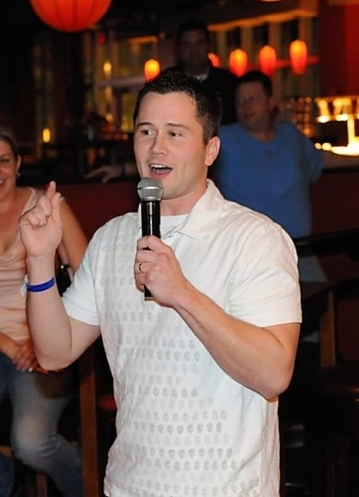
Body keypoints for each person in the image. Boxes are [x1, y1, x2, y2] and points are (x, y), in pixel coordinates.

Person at [19, 71, 301, 497]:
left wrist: (183, 294)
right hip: (130, 484)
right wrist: (40, 262)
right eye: (146, 131)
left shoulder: (255, 239)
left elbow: (274, 373)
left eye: (175, 132)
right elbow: (55, 352)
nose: (157, 147)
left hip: (225, 487)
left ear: (211, 149)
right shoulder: (112, 238)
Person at [0, 126, 87, 496]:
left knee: (32, 441)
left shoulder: (48, 206)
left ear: (18, 165)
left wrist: (42, 339)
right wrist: (5, 342)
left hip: (42, 349)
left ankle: (91, 486)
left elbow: (88, 281)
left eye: (3, 160)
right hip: (4, 345)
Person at [212, 70, 359, 282]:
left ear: (270, 102)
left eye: (253, 98)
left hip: (302, 251)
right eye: (240, 100)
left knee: (323, 303)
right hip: (248, 256)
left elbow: (320, 160)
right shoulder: (223, 139)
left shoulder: (290, 136)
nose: (246, 106)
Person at [86, 18, 239, 184]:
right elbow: (152, 143)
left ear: (209, 46)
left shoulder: (229, 84)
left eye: (199, 43)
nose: (193, 49)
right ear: (178, 48)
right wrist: (123, 168)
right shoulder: (166, 82)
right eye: (187, 44)